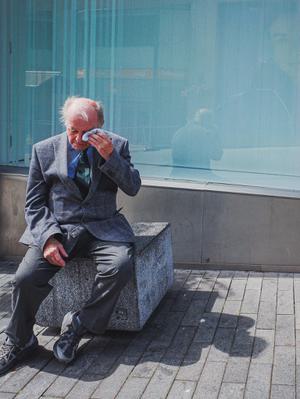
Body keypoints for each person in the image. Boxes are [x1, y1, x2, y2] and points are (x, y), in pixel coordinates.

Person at [0, 96, 141, 374]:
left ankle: (78, 326)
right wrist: (49, 238)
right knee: (25, 278)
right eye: (71, 130)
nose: (77, 138)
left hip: (103, 227)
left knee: (120, 265)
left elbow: (133, 187)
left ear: (99, 127)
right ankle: (20, 340)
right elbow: (34, 204)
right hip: (60, 230)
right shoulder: (44, 150)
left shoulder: (116, 145)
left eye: (85, 132)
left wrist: (110, 157)